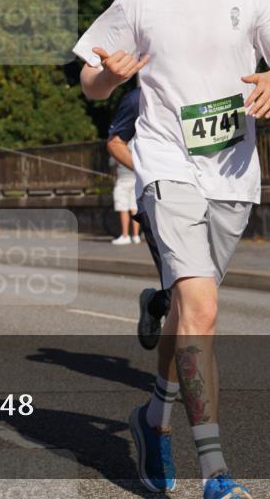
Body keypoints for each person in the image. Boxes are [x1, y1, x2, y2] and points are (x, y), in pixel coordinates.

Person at [76, 0, 270, 499]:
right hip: (166, 165)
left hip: (232, 173)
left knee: (188, 312)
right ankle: (216, 472)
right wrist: (109, 76)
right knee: (203, 308)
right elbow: (90, 79)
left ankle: (152, 419)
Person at [106, 88, 170, 351]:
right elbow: (115, 142)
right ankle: (175, 379)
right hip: (159, 199)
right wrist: (148, 171)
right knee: (186, 294)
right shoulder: (139, 98)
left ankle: (155, 304)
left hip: (211, 198)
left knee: (200, 290)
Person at [110, 152, 140, 245]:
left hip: (123, 180)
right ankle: (136, 236)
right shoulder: (135, 147)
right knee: (134, 208)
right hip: (135, 180)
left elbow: (112, 165)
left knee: (123, 208)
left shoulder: (117, 146)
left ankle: (125, 235)